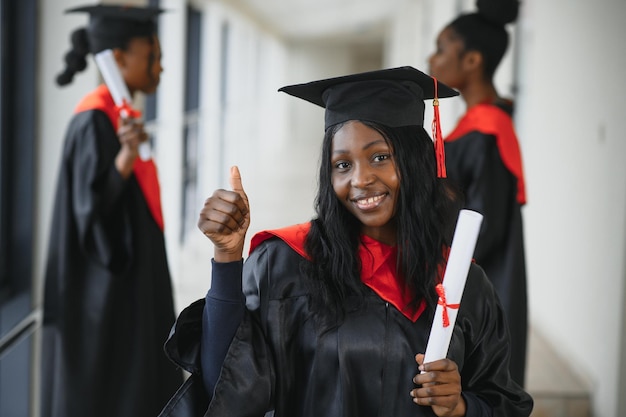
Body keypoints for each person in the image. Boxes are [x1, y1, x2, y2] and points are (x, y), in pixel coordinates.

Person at [158, 66, 533, 417]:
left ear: (416, 162)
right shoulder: (285, 263)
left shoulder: (461, 284)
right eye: (343, 164)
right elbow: (225, 384)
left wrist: (462, 405)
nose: (361, 179)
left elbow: (502, 401)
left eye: (381, 157)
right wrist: (226, 257)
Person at [41, 4, 182, 417]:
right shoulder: (92, 122)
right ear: (118, 59)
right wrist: (124, 159)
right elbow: (91, 218)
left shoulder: (121, 118)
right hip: (107, 300)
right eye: (152, 56)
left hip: (132, 289)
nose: (161, 67)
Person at [428, 3, 529, 387]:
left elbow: (485, 227)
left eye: (441, 48)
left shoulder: (489, 130)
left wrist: (441, 277)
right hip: (462, 278)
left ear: (472, 60)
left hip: (477, 286)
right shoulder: (476, 126)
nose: (431, 58)